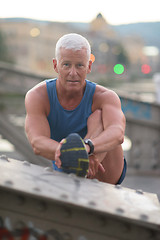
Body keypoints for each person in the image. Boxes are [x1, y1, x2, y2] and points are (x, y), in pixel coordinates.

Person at [25, 33, 126, 184]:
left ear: (89, 66)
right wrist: (69, 152)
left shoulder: (106, 96)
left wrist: (87, 148)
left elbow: (117, 133)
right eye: (66, 65)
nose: (73, 73)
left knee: (98, 115)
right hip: (68, 166)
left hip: (105, 172)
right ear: (55, 65)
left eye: (79, 65)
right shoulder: (38, 96)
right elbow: (37, 142)